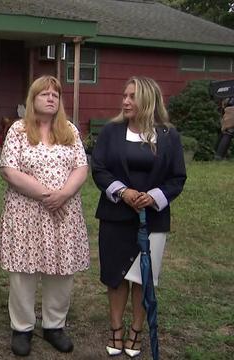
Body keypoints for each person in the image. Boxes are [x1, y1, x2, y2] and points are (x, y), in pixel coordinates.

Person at [91, 76, 186, 357]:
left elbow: (177, 177)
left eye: (132, 96)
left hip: (153, 219)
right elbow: (99, 169)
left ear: (147, 99)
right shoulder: (111, 132)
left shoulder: (169, 136)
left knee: (142, 278)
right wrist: (123, 192)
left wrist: (153, 197)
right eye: (124, 96)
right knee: (116, 277)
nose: (125, 101)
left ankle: (136, 331)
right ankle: (116, 330)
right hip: (116, 216)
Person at [0, 75, 89, 357]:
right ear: (32, 99)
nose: (51, 98)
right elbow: (9, 170)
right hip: (25, 214)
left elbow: (81, 168)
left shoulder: (69, 130)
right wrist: (50, 195)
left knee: (62, 272)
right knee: (23, 272)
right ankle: (22, 327)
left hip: (64, 214)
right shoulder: (19, 131)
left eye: (55, 95)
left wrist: (64, 195)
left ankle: (54, 326)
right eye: (44, 94)